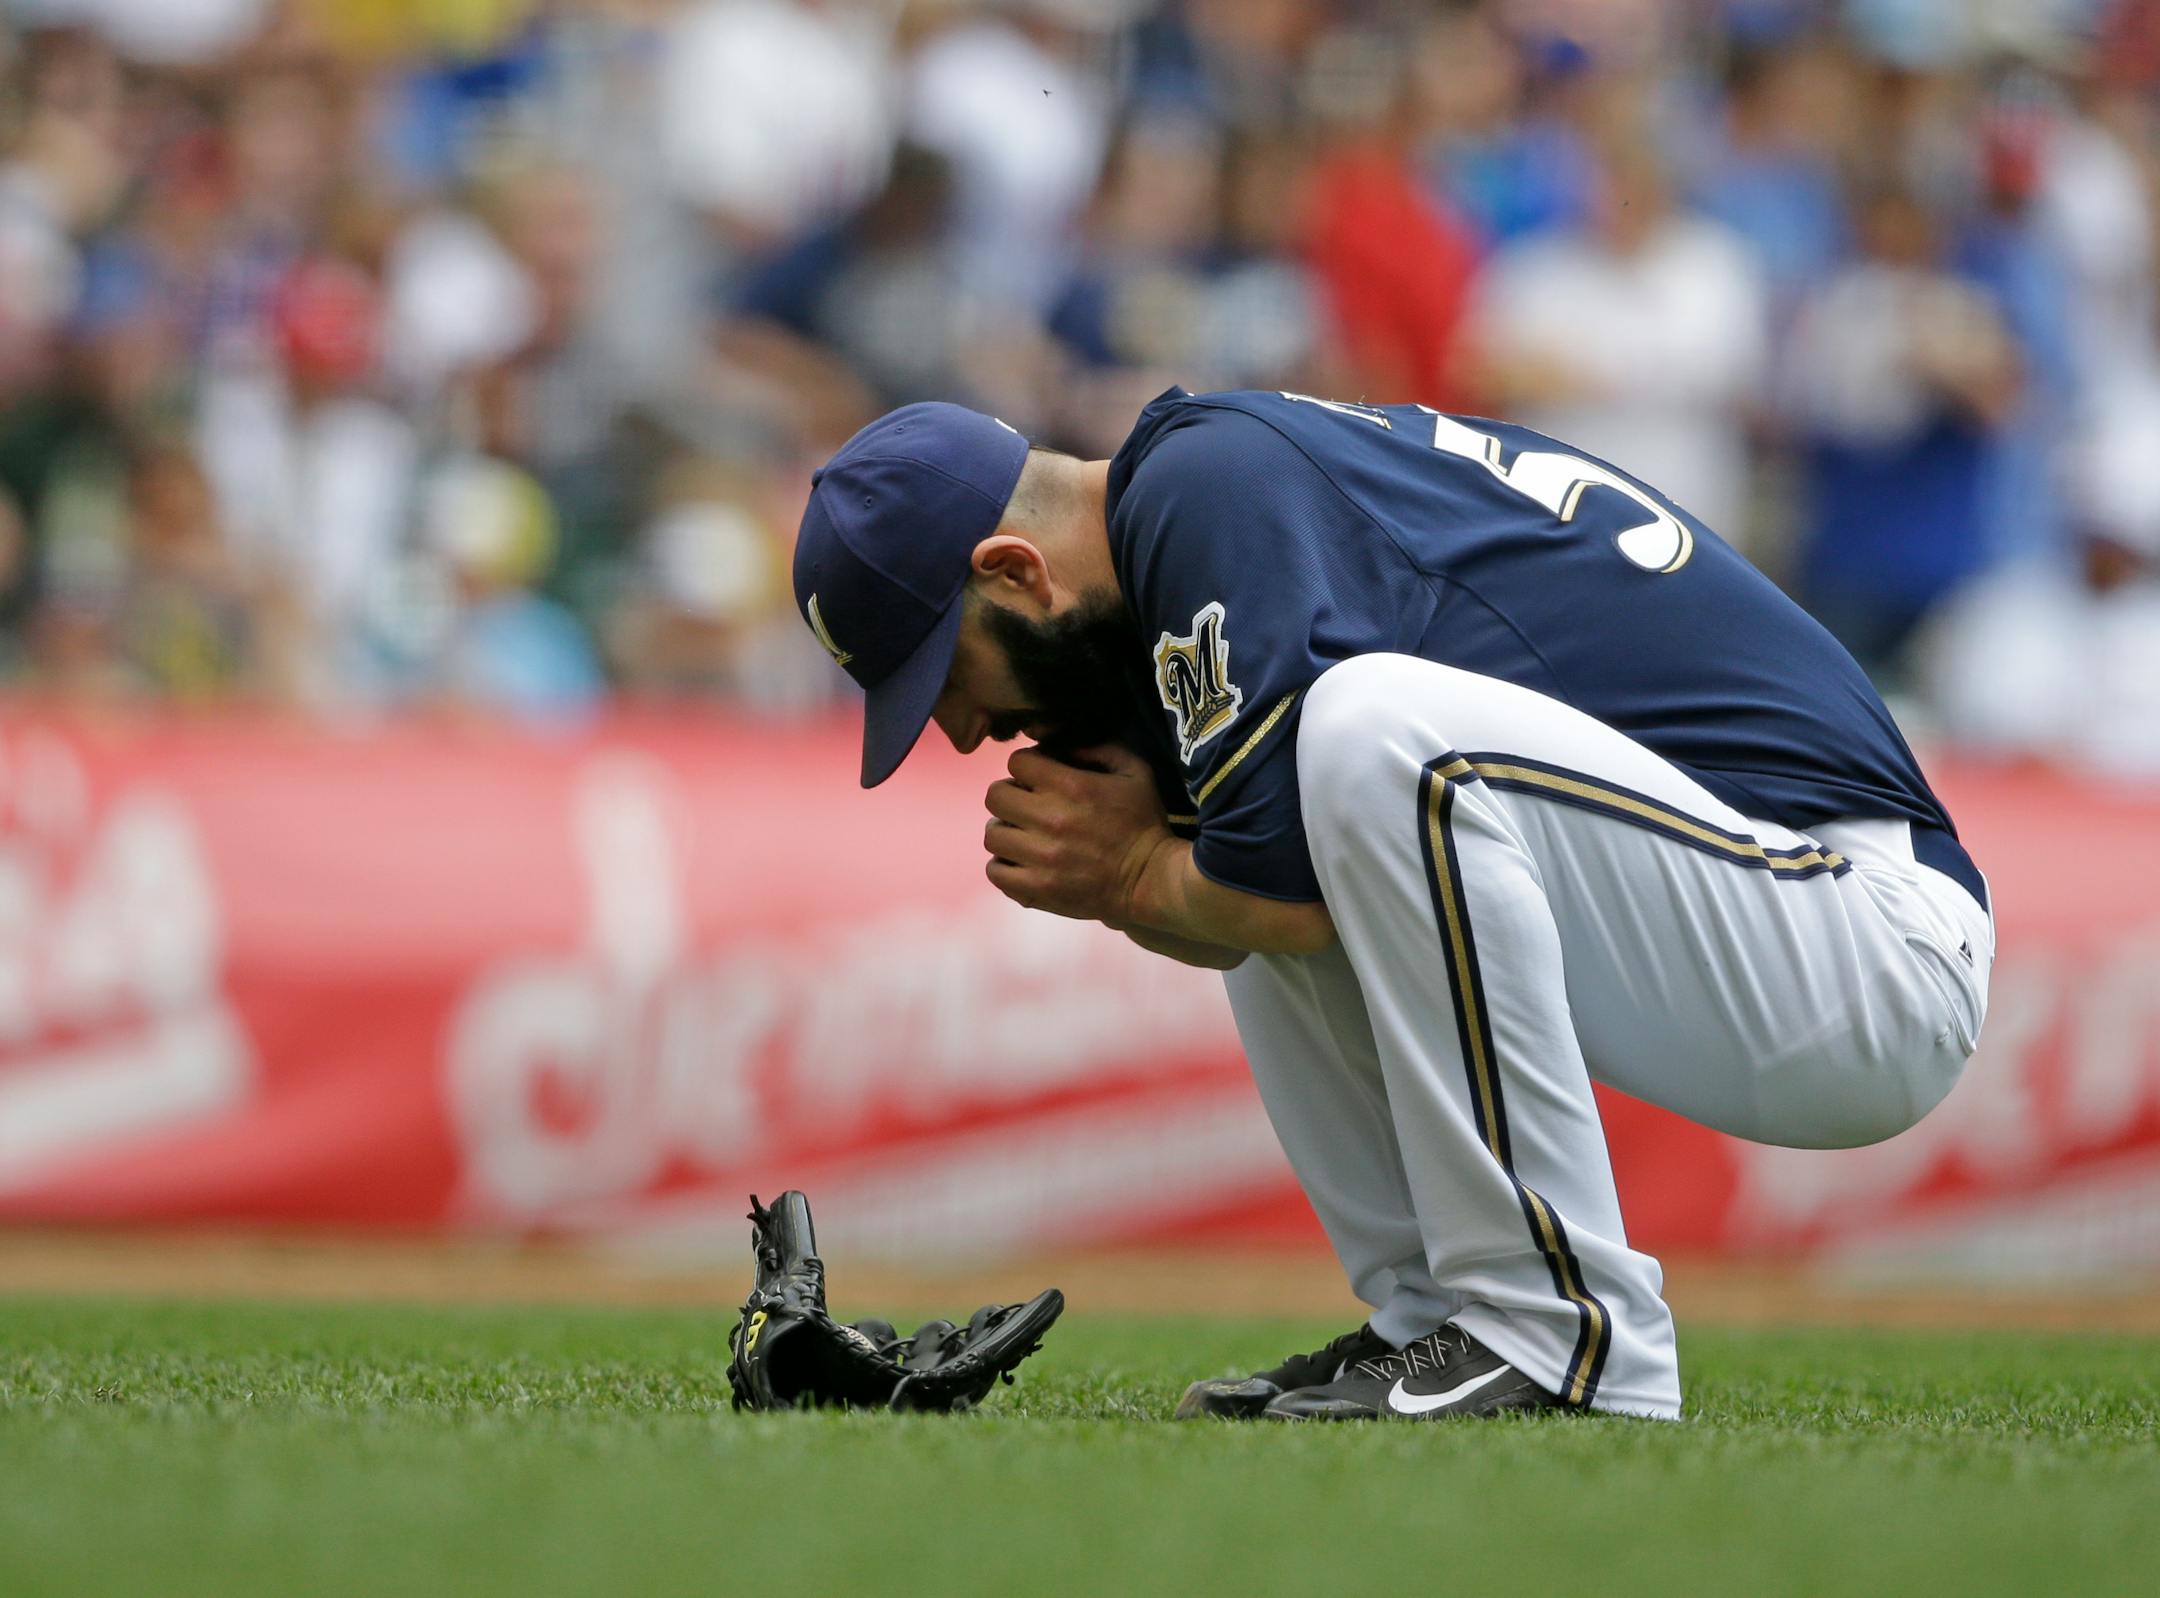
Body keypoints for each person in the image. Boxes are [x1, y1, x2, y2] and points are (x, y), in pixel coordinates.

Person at [790, 389, 1993, 1422]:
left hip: (1856, 927)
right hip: (1747, 906)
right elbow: (1271, 891)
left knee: (1357, 740)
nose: (955, 730)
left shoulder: (1205, 491)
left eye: (944, 670)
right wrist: (1151, 874)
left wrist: (1133, 876)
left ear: (1013, 570)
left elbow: (1279, 886)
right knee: (1265, 799)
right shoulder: (1199, 516)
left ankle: (1560, 1332)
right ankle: (1434, 1320)